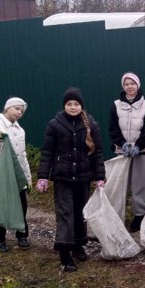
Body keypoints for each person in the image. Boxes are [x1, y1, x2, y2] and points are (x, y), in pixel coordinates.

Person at [36, 87, 105, 272]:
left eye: (76, 104)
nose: (73, 107)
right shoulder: (55, 125)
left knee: (80, 213)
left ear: (81, 106)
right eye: (69, 104)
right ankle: (65, 254)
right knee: (65, 213)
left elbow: (97, 153)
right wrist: (43, 176)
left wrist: (100, 176)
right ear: (64, 106)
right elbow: (47, 152)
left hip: (83, 176)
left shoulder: (91, 124)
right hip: (63, 177)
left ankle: (78, 245)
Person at [0, 97, 33, 252]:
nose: (19, 113)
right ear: (7, 107)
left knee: (21, 206)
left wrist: (28, 177)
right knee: (0, 209)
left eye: (22, 111)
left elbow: (21, 155)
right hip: (0, 175)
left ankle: (22, 235)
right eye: (17, 109)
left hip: (16, 175)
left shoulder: (20, 130)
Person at [108, 71, 145, 232]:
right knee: (119, 184)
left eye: (132, 83)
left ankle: (139, 215)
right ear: (123, 86)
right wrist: (122, 144)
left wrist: (137, 147)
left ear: (137, 85)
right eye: (126, 84)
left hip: (142, 151)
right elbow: (113, 129)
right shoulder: (115, 105)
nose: (129, 87)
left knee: (139, 185)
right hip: (122, 151)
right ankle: (117, 215)